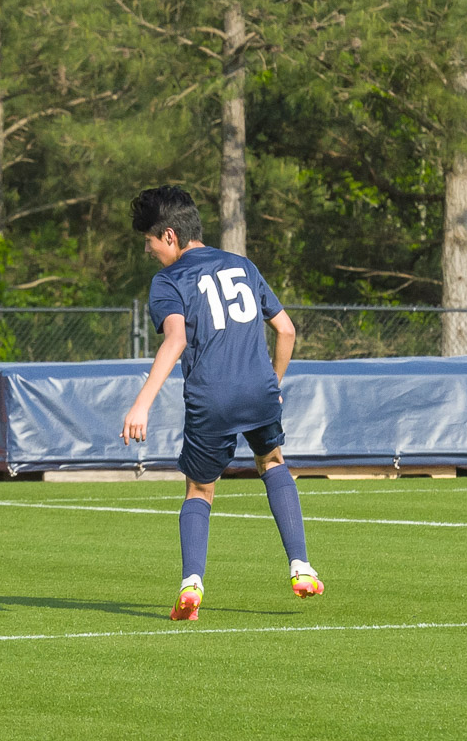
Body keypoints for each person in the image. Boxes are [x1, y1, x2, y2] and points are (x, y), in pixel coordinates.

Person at [120, 185, 323, 621]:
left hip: (211, 397)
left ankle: (191, 585)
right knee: (272, 461)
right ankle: (301, 566)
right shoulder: (243, 265)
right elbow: (286, 330)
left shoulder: (169, 280)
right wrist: (275, 382)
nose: (150, 251)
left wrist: (141, 403)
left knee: (200, 489)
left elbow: (176, 339)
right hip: (260, 390)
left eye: (150, 241)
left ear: (170, 236)